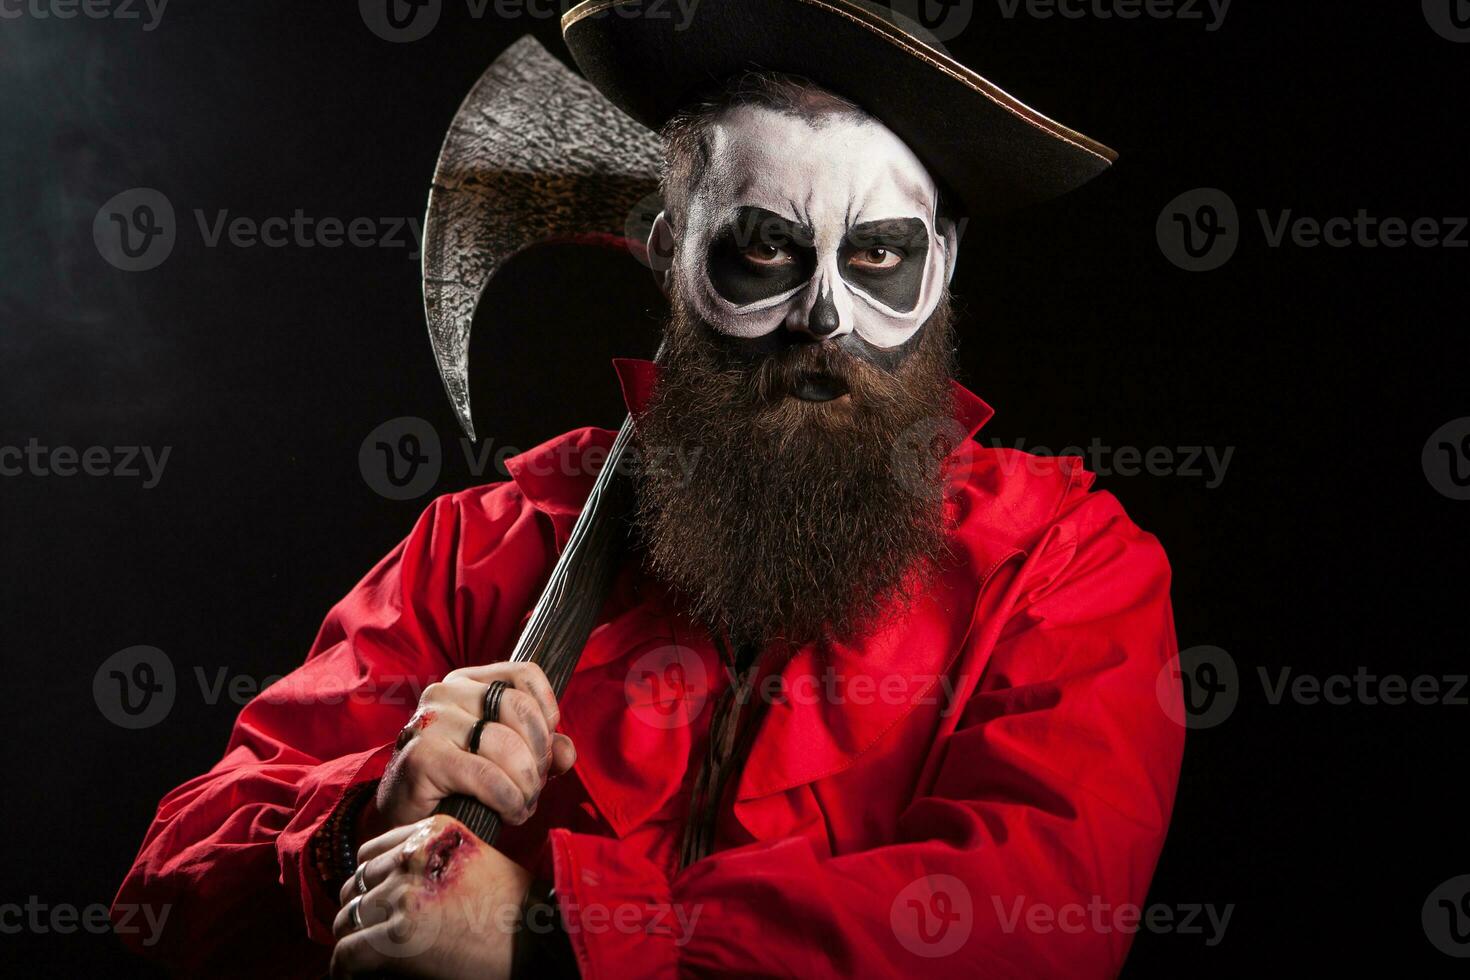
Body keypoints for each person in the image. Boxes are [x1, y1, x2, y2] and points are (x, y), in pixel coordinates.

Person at [114, 2, 1184, 976]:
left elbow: (1035, 919)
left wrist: (549, 937)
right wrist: (357, 823)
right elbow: (171, 875)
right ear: (672, 252)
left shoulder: (1063, 565)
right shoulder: (482, 546)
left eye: (879, 257)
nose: (825, 316)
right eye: (765, 249)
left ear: (942, 265)